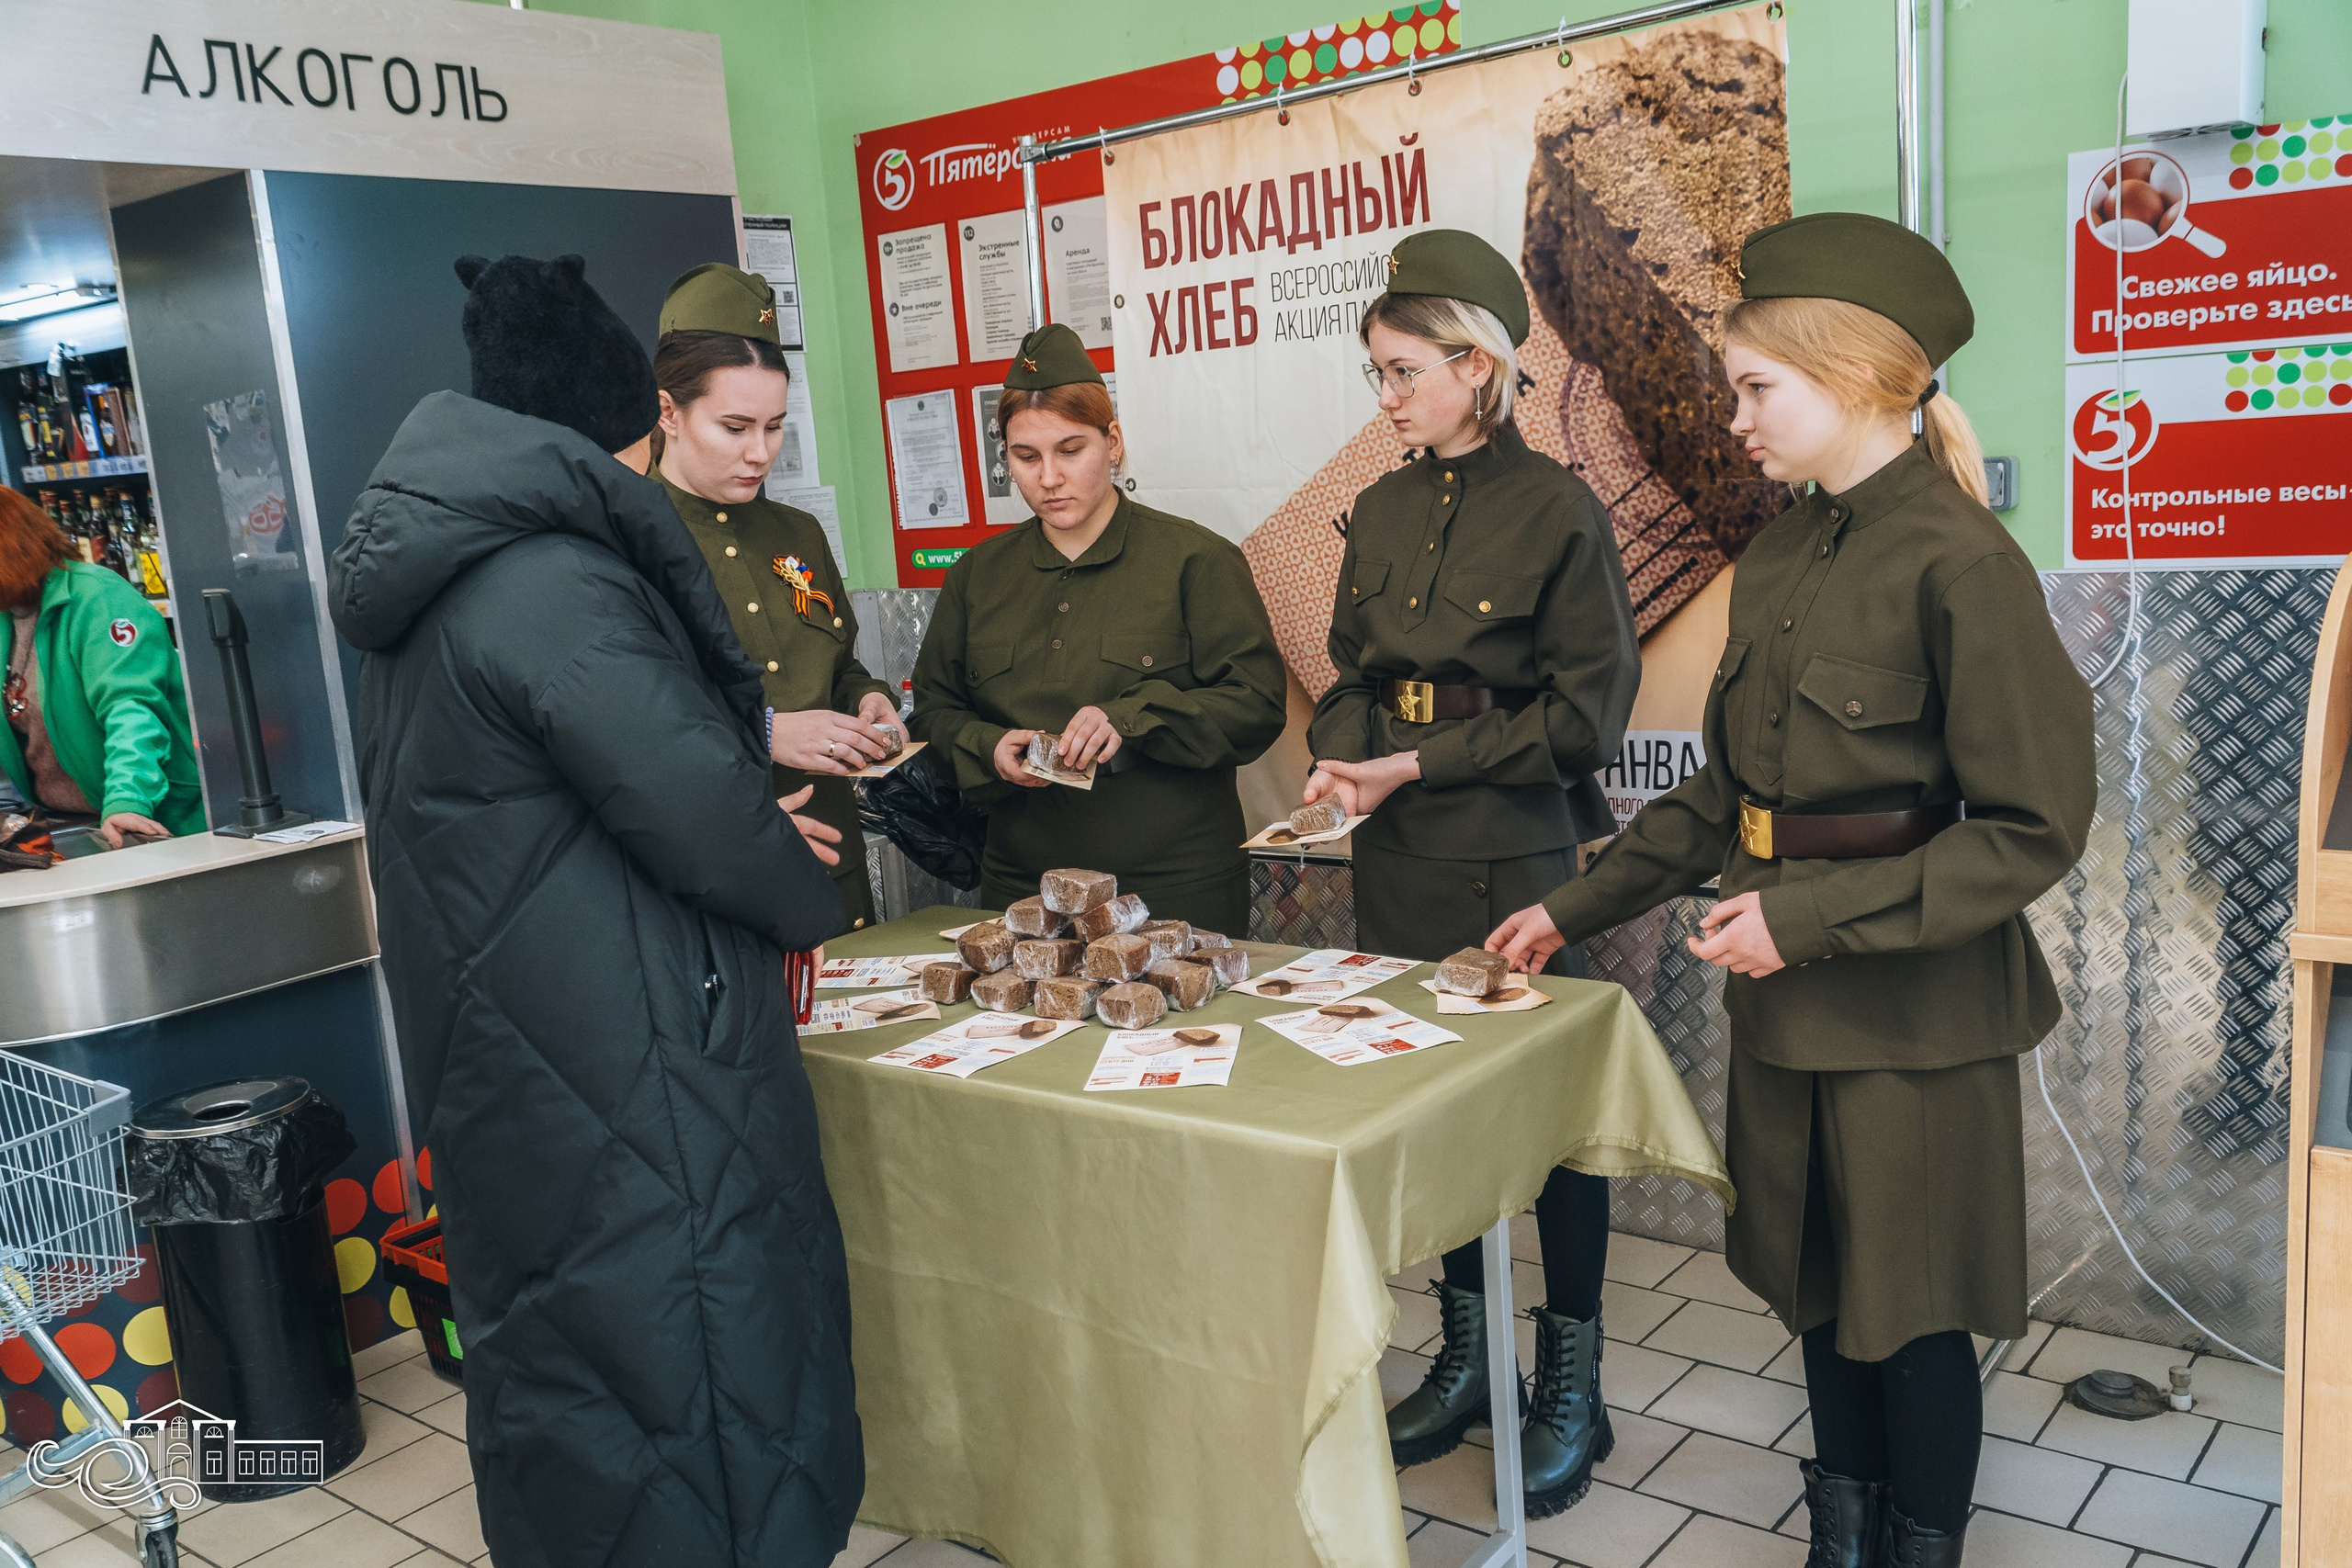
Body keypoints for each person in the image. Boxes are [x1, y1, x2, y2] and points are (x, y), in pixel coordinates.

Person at [1489, 213, 2097, 1568]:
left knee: (1913, 1308)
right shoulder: (1775, 560)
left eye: (1758, 388)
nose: (1738, 418)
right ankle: (1846, 1536)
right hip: (1788, 1012)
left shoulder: (1963, 565)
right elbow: (1720, 799)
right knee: (1821, 1288)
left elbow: (2031, 826)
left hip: (1912, 1022)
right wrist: (1572, 905)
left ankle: (1918, 1544)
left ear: (1859, 376)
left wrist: (1804, 919)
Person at [329, 253, 860, 1568]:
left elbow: (544, 815)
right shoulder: (555, 580)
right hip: (627, 1063)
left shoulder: (435, 574)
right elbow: (699, 809)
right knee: (685, 1357)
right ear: (606, 439)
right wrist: (801, 891)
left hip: (515, 1048)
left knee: (564, 1363)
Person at [1302, 229, 1642, 1518]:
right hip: (1395, 859)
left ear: (1478, 365)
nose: (1384, 397)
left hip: (1512, 853)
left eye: (1402, 371)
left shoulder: (1557, 508)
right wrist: (1345, 756)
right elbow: (1344, 671)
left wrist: (1417, 765)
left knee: (1547, 1133)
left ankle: (1571, 1382)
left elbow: (1585, 720)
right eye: (1377, 373)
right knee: (1432, 1117)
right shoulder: (1382, 507)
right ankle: (1464, 1357)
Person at [909, 323, 1286, 932]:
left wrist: (1132, 718)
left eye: (1070, 449)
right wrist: (987, 748)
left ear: (1112, 442)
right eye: (1025, 456)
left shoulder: (1197, 560)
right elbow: (932, 711)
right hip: (1023, 885)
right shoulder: (977, 575)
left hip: (1171, 881)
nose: (1048, 477)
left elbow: (1257, 705)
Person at [647, 263, 896, 931]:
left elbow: (837, 662)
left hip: (833, 876)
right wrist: (766, 732)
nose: (761, 453)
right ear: (670, 411)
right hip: (716, 888)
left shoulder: (797, 531)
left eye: (775, 426)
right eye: (735, 427)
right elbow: (632, 725)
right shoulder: (626, 543)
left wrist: (868, 699)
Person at [0, 486, 200, 847]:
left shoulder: (97, 599)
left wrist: (128, 799)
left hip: (154, 820)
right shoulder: (5, 617)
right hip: (70, 819)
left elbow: (132, 710)